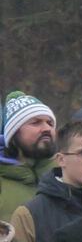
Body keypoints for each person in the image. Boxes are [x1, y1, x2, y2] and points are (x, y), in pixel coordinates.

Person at [0, 92, 56, 220]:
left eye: (50, 123)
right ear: (13, 134)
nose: (46, 128)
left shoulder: (66, 174)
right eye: (35, 123)